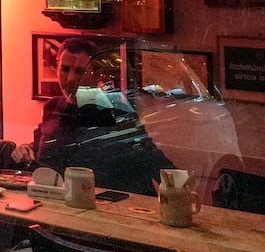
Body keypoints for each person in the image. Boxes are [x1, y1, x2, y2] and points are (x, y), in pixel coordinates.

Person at [34, 38, 174, 195]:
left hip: (115, 204)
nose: (71, 78)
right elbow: (48, 154)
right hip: (66, 202)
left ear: (95, 74)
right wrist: (26, 150)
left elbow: (149, 156)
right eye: (65, 69)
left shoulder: (114, 108)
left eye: (80, 71)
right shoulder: (53, 107)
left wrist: (177, 186)